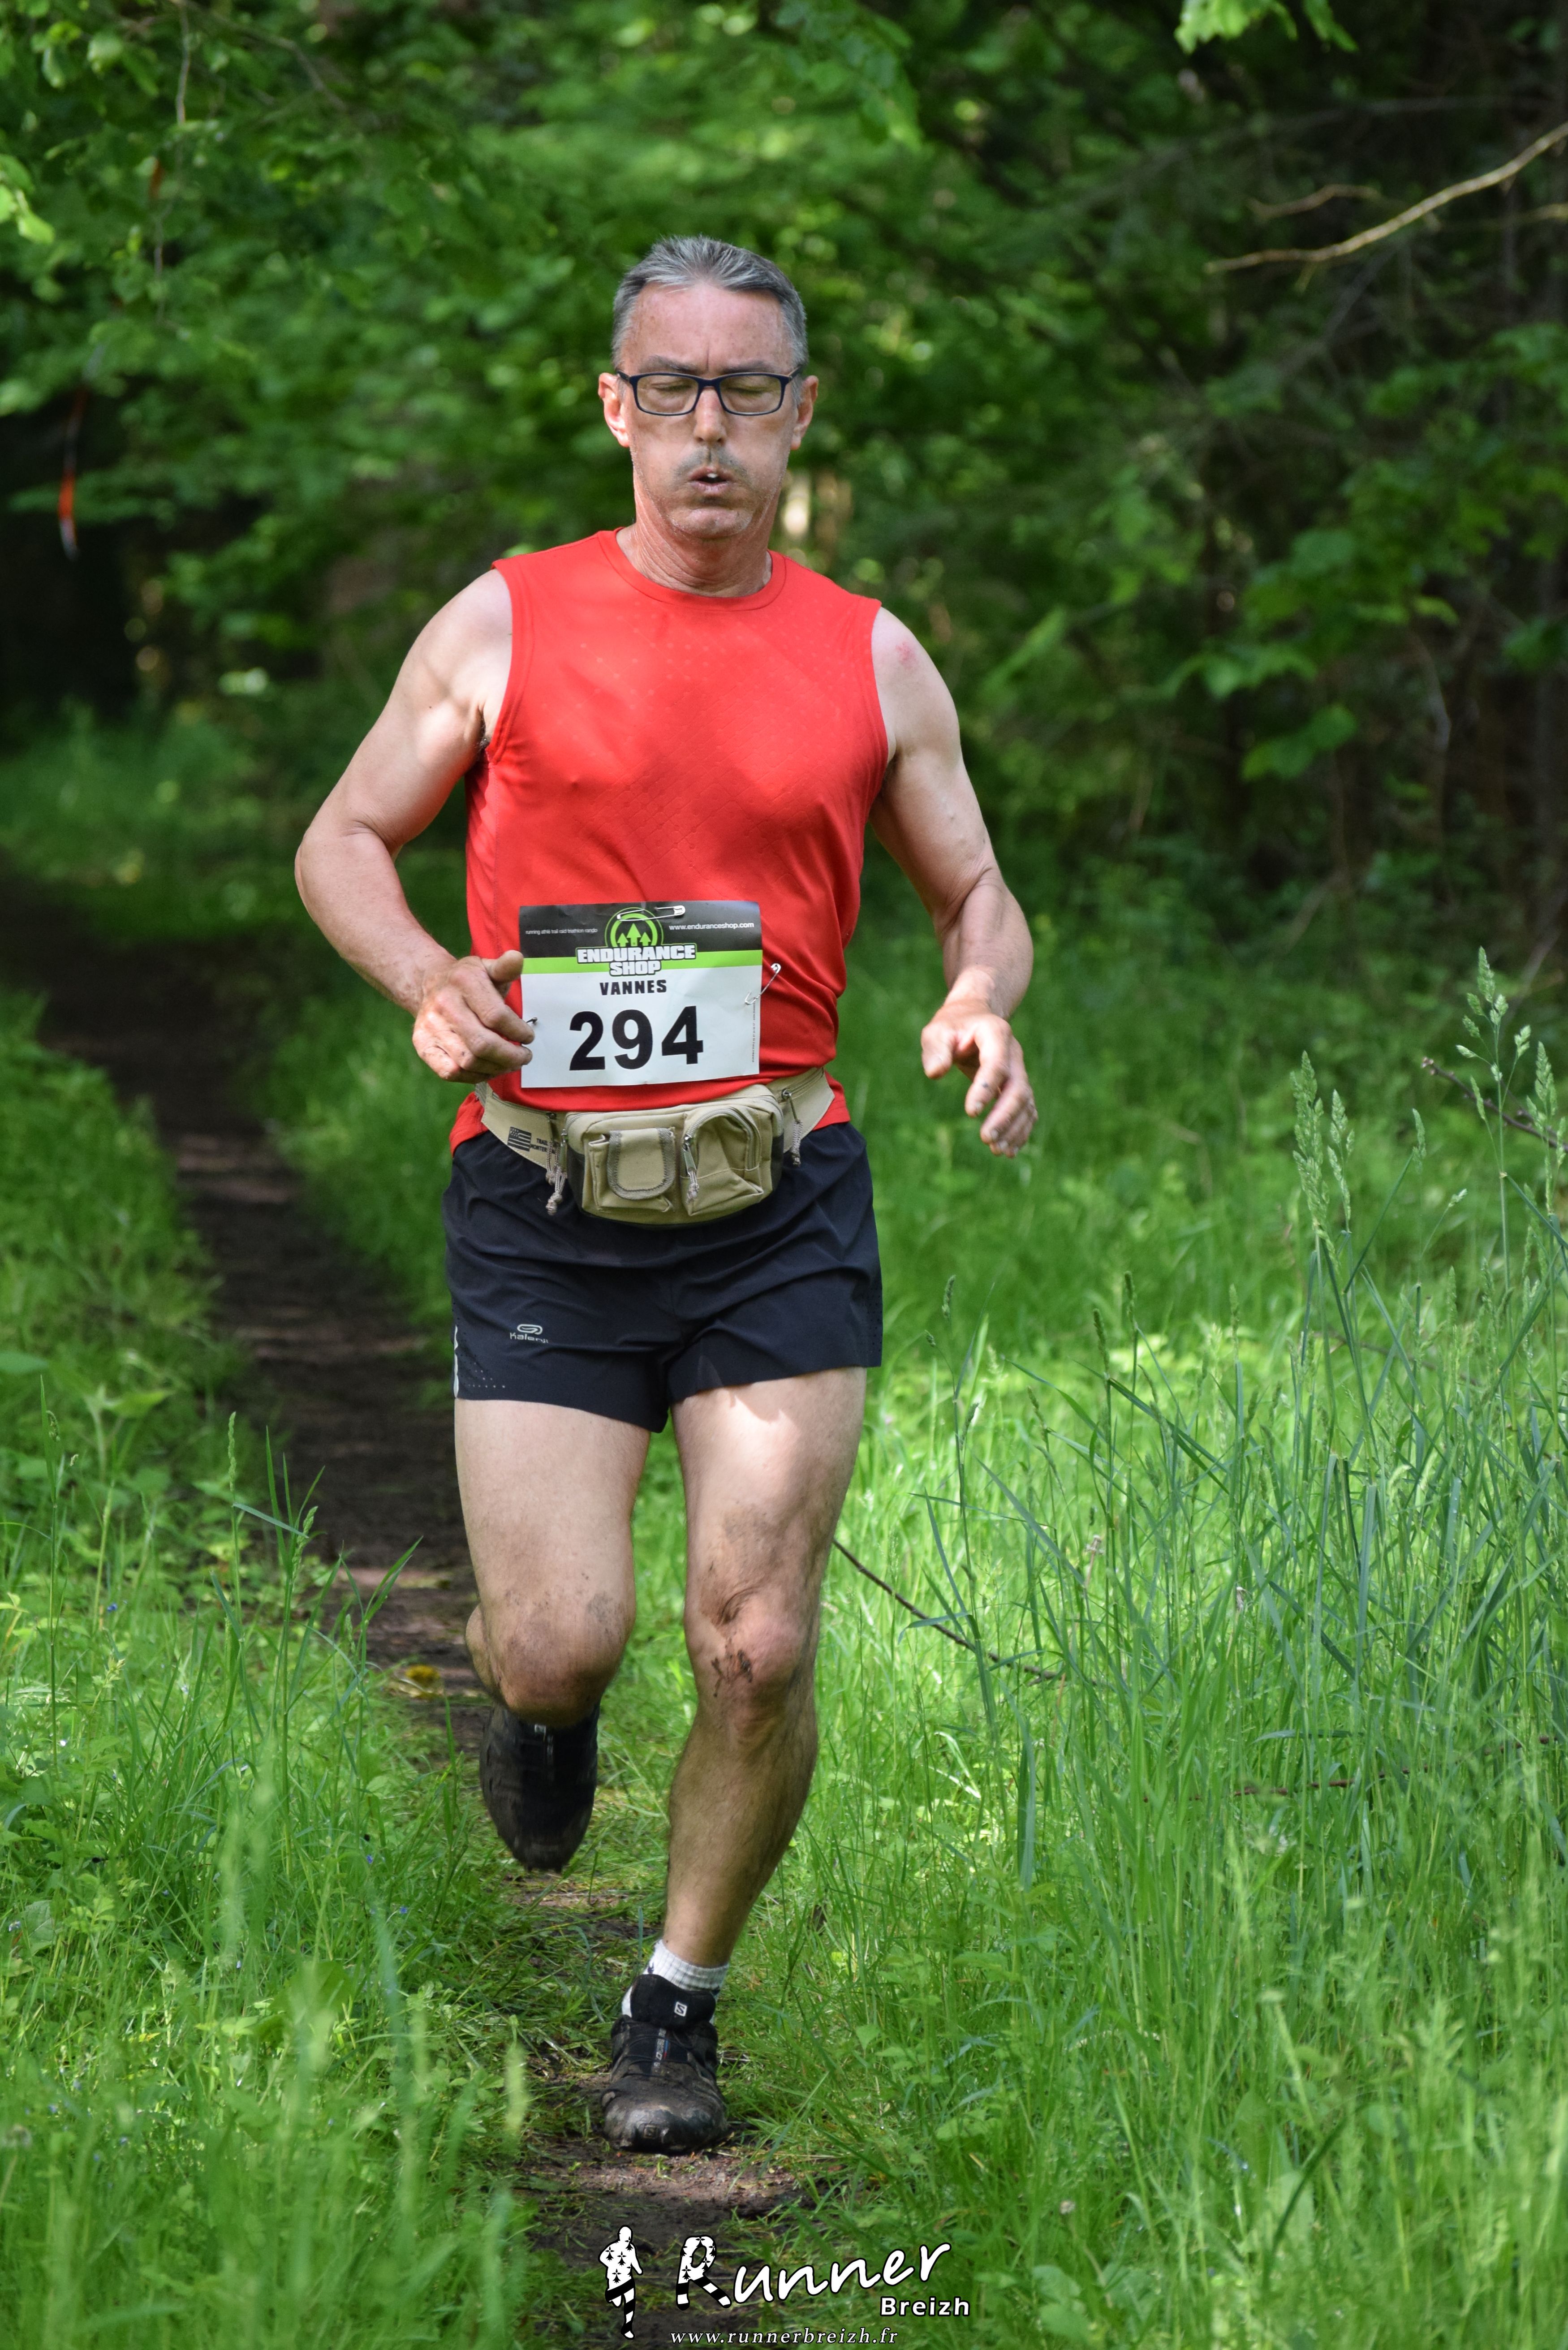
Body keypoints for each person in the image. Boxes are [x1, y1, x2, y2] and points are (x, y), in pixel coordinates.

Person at [295, 234, 1036, 2155]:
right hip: (542, 1193)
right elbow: (343, 838)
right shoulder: (503, 623)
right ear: (615, 410)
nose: (712, 426)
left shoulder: (868, 653)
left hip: (777, 1193)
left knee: (755, 1637)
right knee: (560, 1634)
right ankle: (536, 1719)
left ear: (798, 415)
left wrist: (977, 996)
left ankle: (675, 2006)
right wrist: (427, 976)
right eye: (674, 389)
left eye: (748, 390)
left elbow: (975, 887)